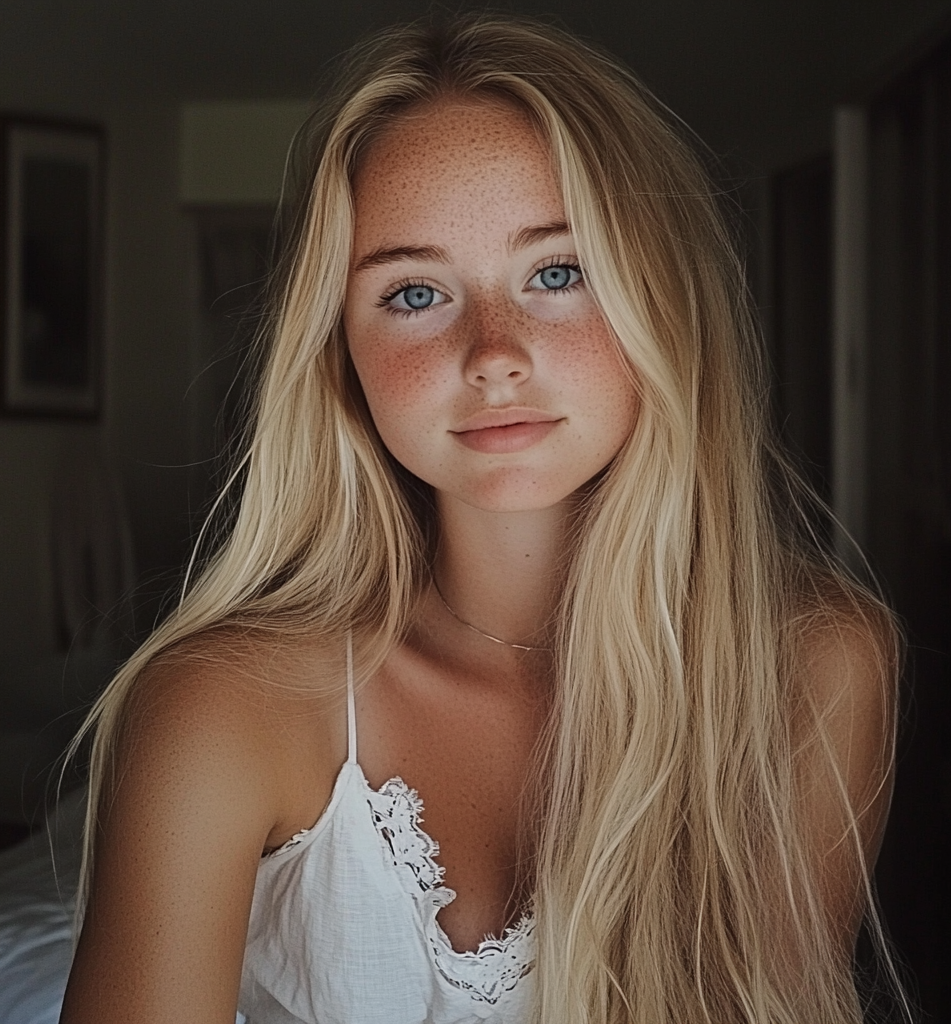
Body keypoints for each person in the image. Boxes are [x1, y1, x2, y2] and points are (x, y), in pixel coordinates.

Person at [59, 14, 902, 1024]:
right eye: (415, 292)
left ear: (661, 302)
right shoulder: (220, 710)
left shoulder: (818, 665)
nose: (492, 352)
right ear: (339, 354)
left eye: (556, 271)